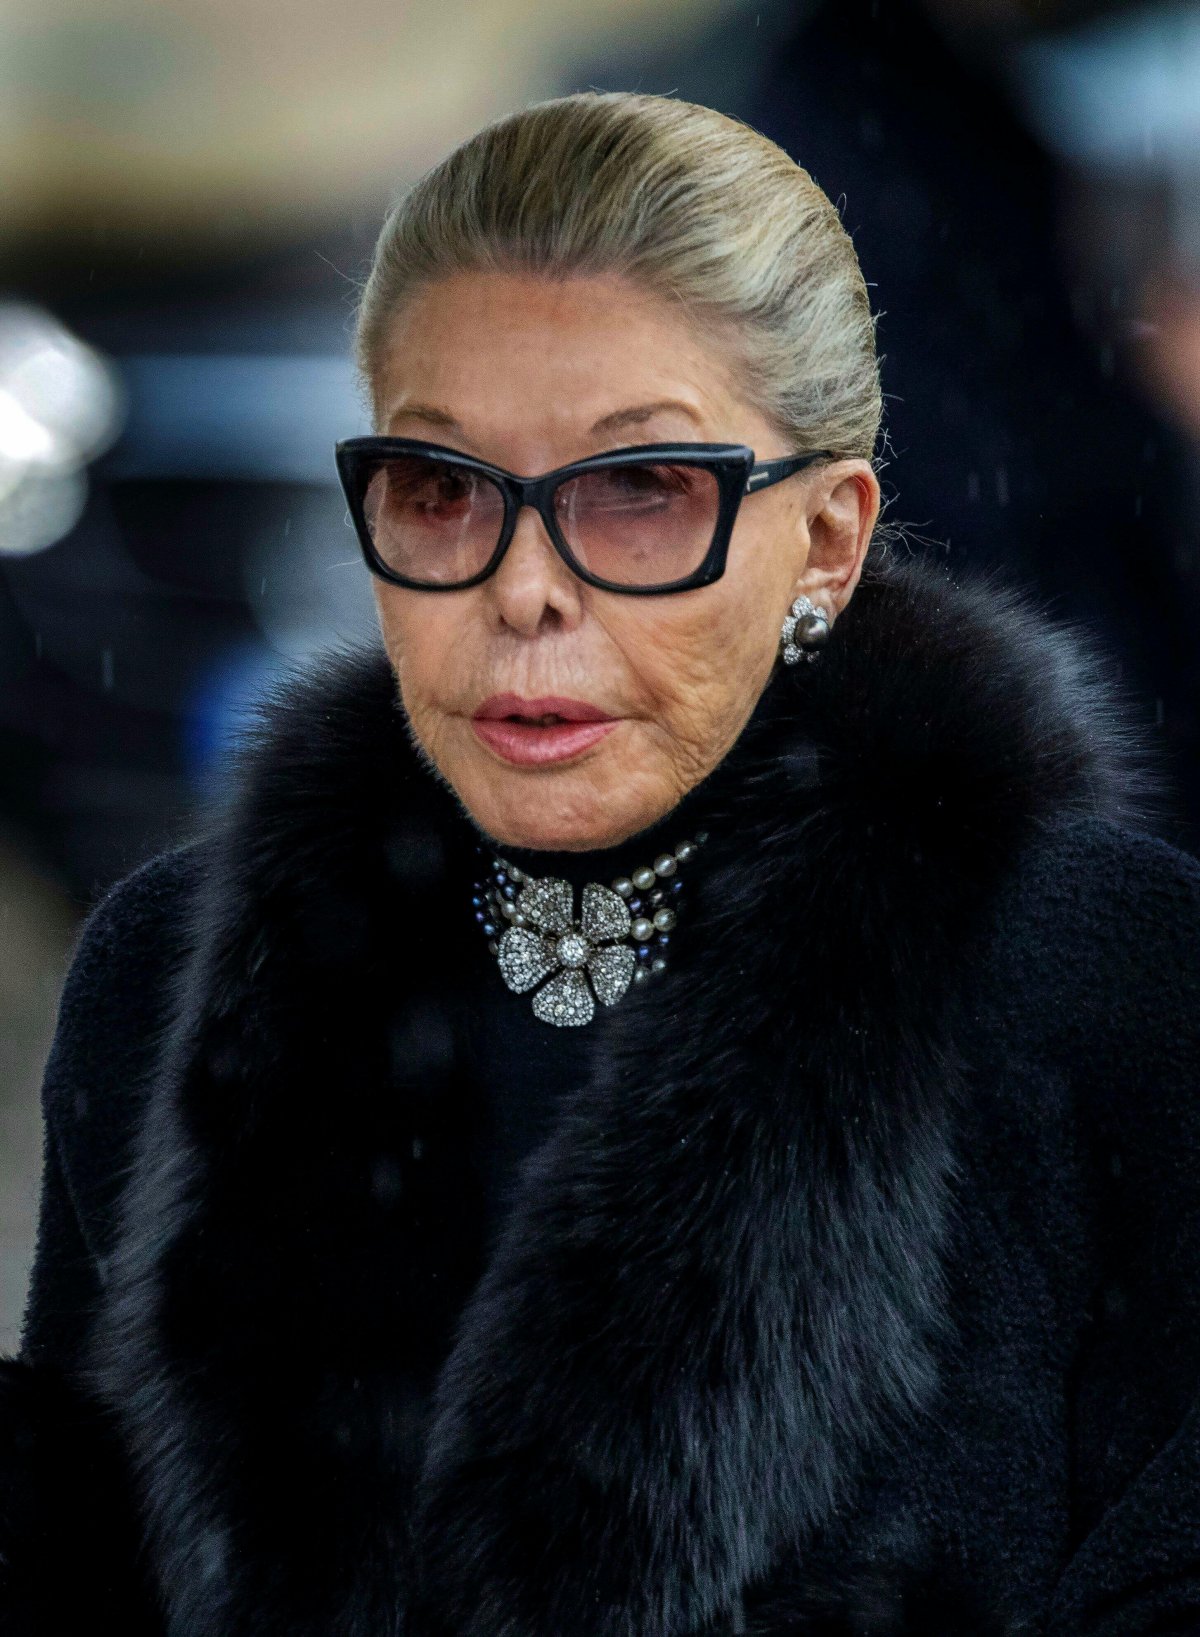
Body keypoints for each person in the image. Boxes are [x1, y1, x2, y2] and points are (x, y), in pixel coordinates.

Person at [3, 90, 1200, 1637]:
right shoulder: (178, 975)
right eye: (440, 493)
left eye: (641, 493)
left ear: (827, 543)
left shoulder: (1106, 982)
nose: (523, 592)